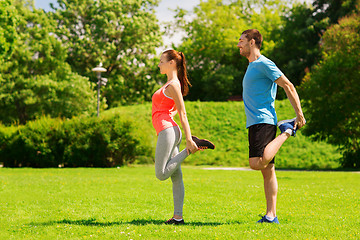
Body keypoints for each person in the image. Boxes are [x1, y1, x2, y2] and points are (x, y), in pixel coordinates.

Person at [237, 29, 306, 224]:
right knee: (268, 171)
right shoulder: (252, 66)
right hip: (256, 122)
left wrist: (299, 114)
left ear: (252, 42)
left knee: (257, 163)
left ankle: (287, 130)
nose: (238, 45)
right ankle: (271, 215)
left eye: (241, 41)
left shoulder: (264, 63)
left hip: (263, 120)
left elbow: (288, 85)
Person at [152, 49, 215, 225]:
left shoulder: (173, 85)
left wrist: (188, 139)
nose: (159, 64)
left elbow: (183, 113)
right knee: (176, 177)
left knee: (162, 174)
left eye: (161, 61)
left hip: (168, 131)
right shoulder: (169, 85)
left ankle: (191, 147)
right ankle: (178, 217)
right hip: (169, 130)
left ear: (172, 62)